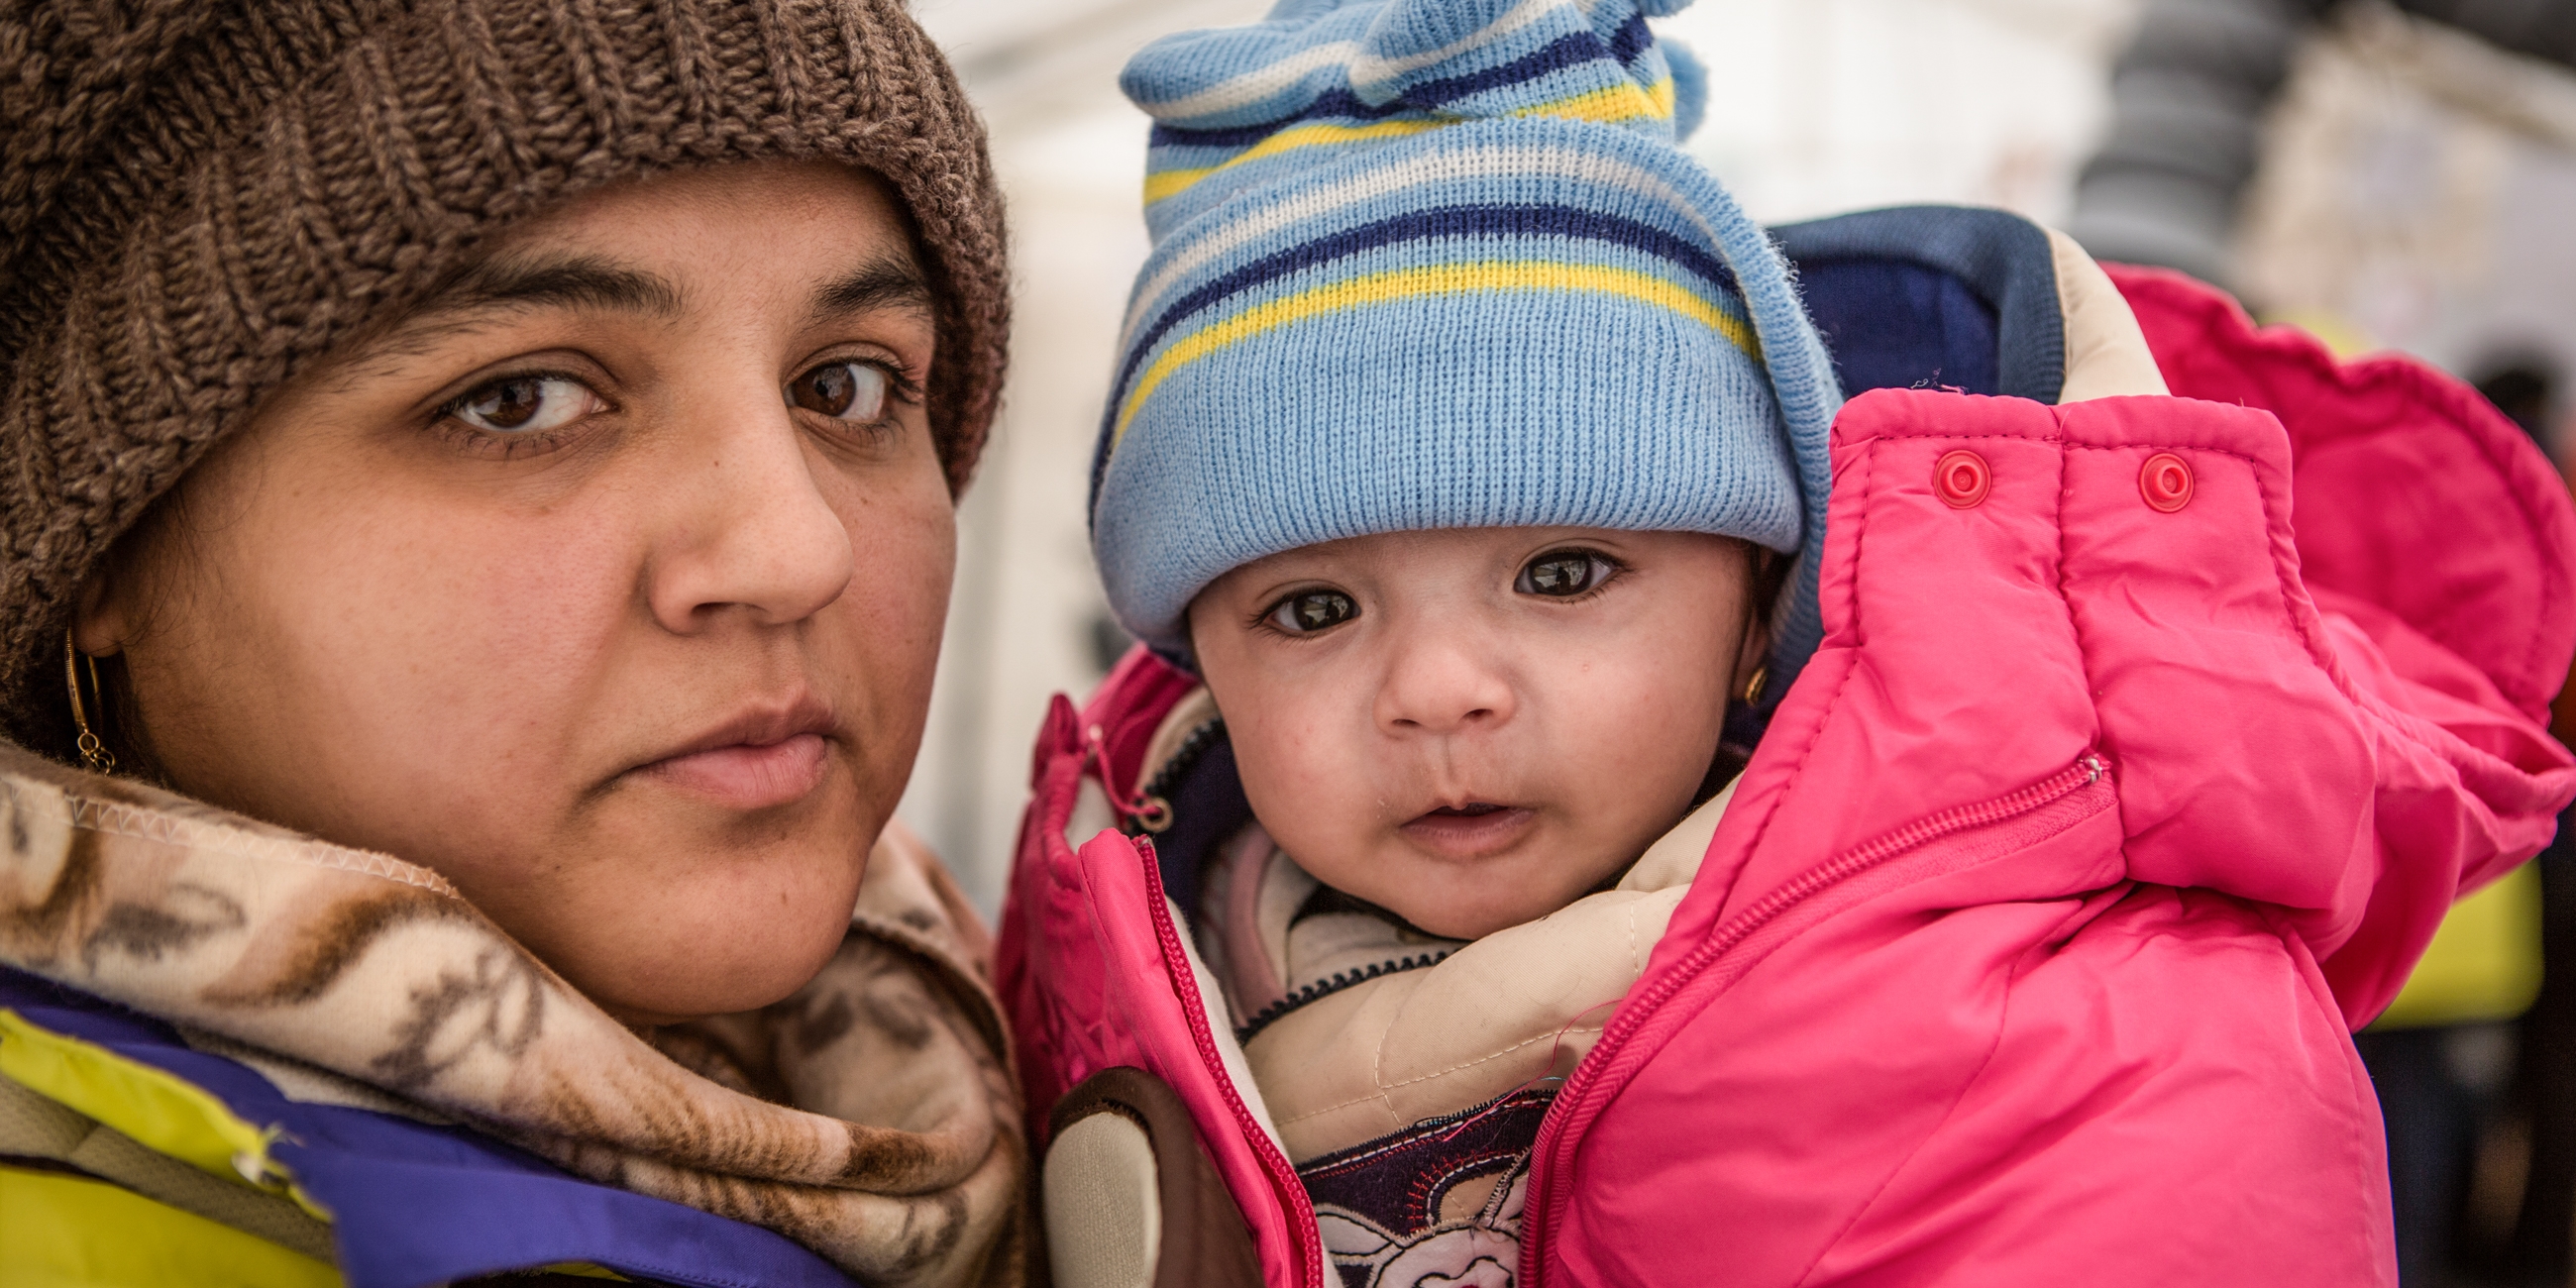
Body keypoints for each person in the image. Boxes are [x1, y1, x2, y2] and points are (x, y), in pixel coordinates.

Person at [997, 0, 2576, 1285]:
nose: (1437, 691)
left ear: (1762, 606)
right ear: (1196, 653)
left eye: (1562, 571)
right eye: (1314, 610)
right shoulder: (1149, 930)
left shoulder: (2053, 1007)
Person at [0, 2, 1026, 1286]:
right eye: (519, 400)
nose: (796, 550)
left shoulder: (1131, 1070)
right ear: (99, 544)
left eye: (847, 387)